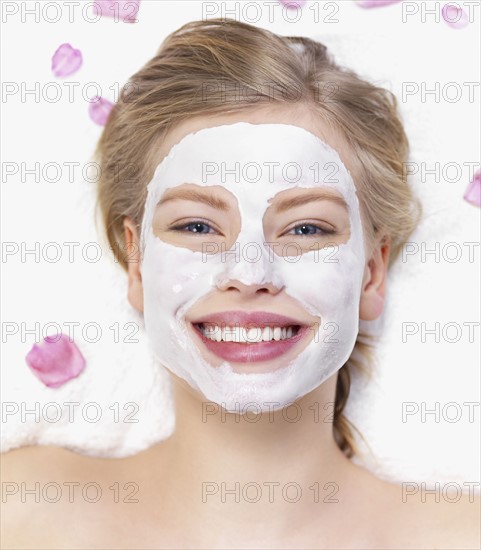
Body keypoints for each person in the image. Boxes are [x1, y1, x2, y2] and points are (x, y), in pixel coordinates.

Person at [2, 19, 479, 549]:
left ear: (372, 272)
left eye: (305, 228)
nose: (250, 274)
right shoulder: (21, 512)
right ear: (137, 265)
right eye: (198, 226)